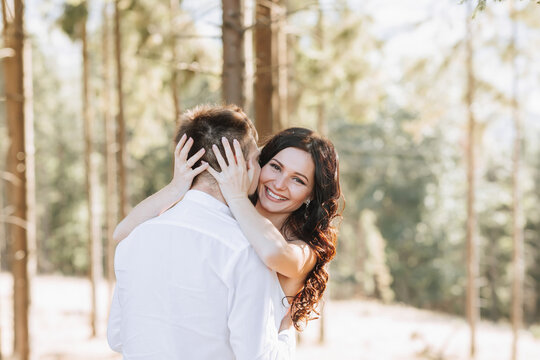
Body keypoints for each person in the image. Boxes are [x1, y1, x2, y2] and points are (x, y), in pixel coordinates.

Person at [107, 104, 295, 359]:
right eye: (259, 160)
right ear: (244, 165)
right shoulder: (245, 251)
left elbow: (117, 337)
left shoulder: (135, 239)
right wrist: (286, 331)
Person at [114, 125, 342, 332]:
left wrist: (236, 196)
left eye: (298, 180)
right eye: (275, 167)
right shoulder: (225, 219)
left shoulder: (303, 251)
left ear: (310, 195)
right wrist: (176, 187)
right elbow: (124, 234)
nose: (279, 184)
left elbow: (272, 253)